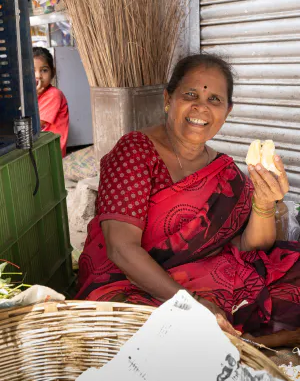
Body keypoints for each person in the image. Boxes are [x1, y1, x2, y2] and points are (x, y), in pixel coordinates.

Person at [76, 53, 300, 347]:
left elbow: (250, 247)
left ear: (227, 111)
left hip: (206, 275)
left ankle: (254, 345)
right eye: (190, 94)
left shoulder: (225, 171)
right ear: (168, 99)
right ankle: (256, 345)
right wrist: (191, 305)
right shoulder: (135, 152)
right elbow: (120, 249)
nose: (201, 107)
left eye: (214, 100)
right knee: (167, 337)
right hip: (132, 282)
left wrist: (264, 202)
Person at [33, 47, 69, 157]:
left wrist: (33, 95)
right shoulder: (33, 93)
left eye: (44, 70)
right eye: (32, 70)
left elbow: (34, 126)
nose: (38, 76)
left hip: (51, 151)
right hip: (41, 146)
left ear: (52, 72)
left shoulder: (53, 94)